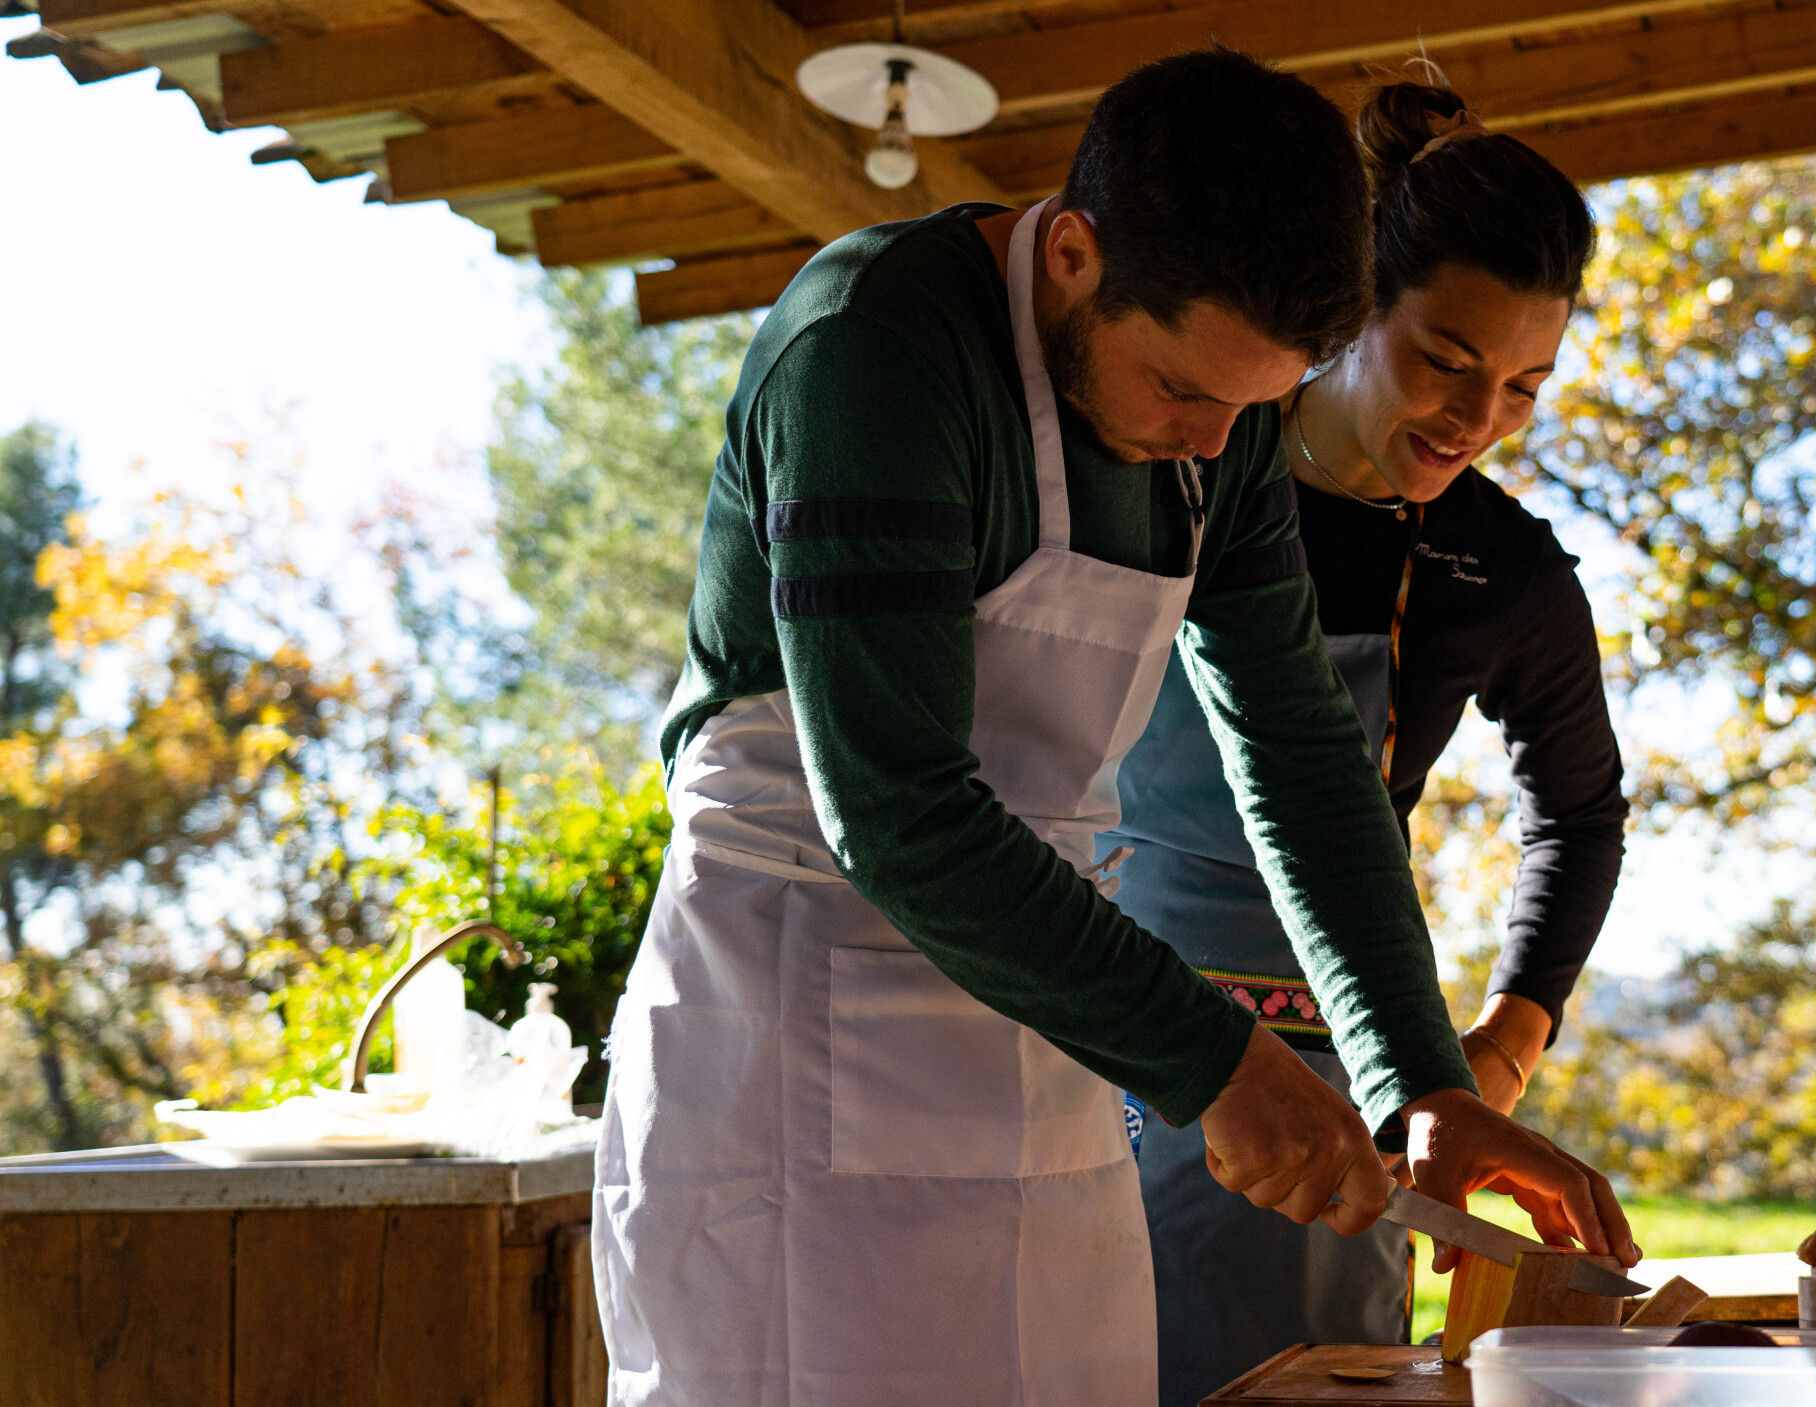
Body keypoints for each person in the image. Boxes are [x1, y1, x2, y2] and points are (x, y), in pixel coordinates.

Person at [591, 48, 1636, 1407]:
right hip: (800, 1022)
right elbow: (899, 809)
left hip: (1048, 1055)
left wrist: (1420, 1080)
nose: (1213, 445)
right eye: (1183, 392)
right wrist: (1214, 1060)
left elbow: (1303, 757)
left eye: (1251, 408)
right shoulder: (874, 348)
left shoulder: (1228, 422)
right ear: (1075, 255)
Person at [1099, 70, 1630, 1406]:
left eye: (1522, 386)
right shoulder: (1180, 447)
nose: (1476, 417)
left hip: (1337, 1083)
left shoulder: (1495, 569)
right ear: (1350, 311)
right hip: (1095, 1026)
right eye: (1446, 360)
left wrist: (1496, 1051)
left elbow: (1579, 812)